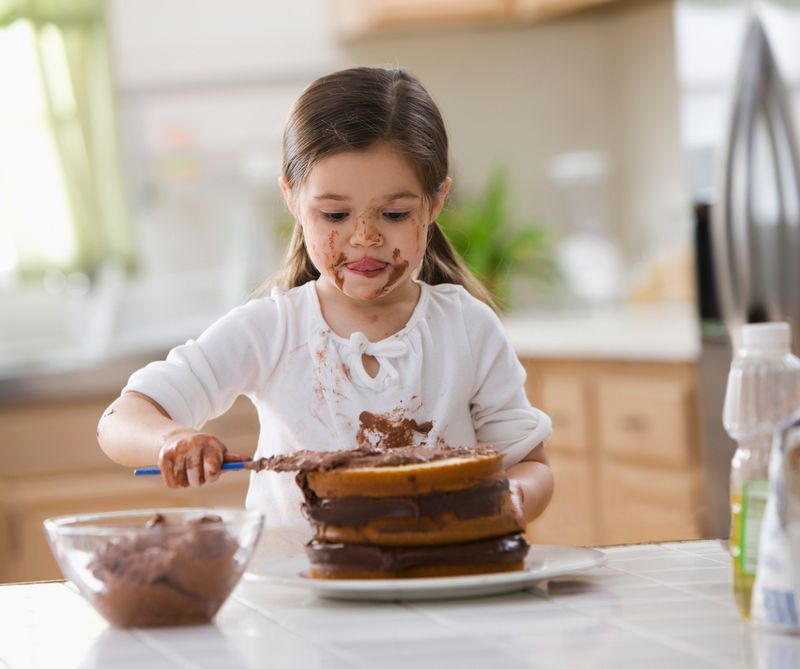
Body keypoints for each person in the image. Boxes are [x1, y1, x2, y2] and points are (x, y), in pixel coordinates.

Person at [97, 66, 553, 545]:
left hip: (443, 586)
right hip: (301, 600)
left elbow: (529, 465)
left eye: (395, 214)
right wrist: (171, 441)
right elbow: (122, 420)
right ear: (292, 201)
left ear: (436, 202)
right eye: (334, 214)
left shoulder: (467, 329)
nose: (365, 237)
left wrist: (513, 497)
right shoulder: (272, 331)